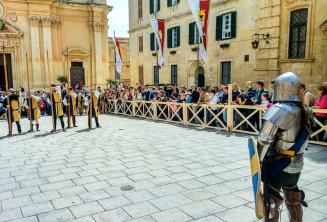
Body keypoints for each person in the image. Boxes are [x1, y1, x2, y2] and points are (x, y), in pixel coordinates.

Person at [257, 72, 311, 222]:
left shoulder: (279, 110)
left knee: (271, 202)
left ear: (280, 88)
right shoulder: (305, 110)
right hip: (297, 164)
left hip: (278, 164)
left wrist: (258, 163)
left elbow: (264, 140)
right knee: (293, 199)